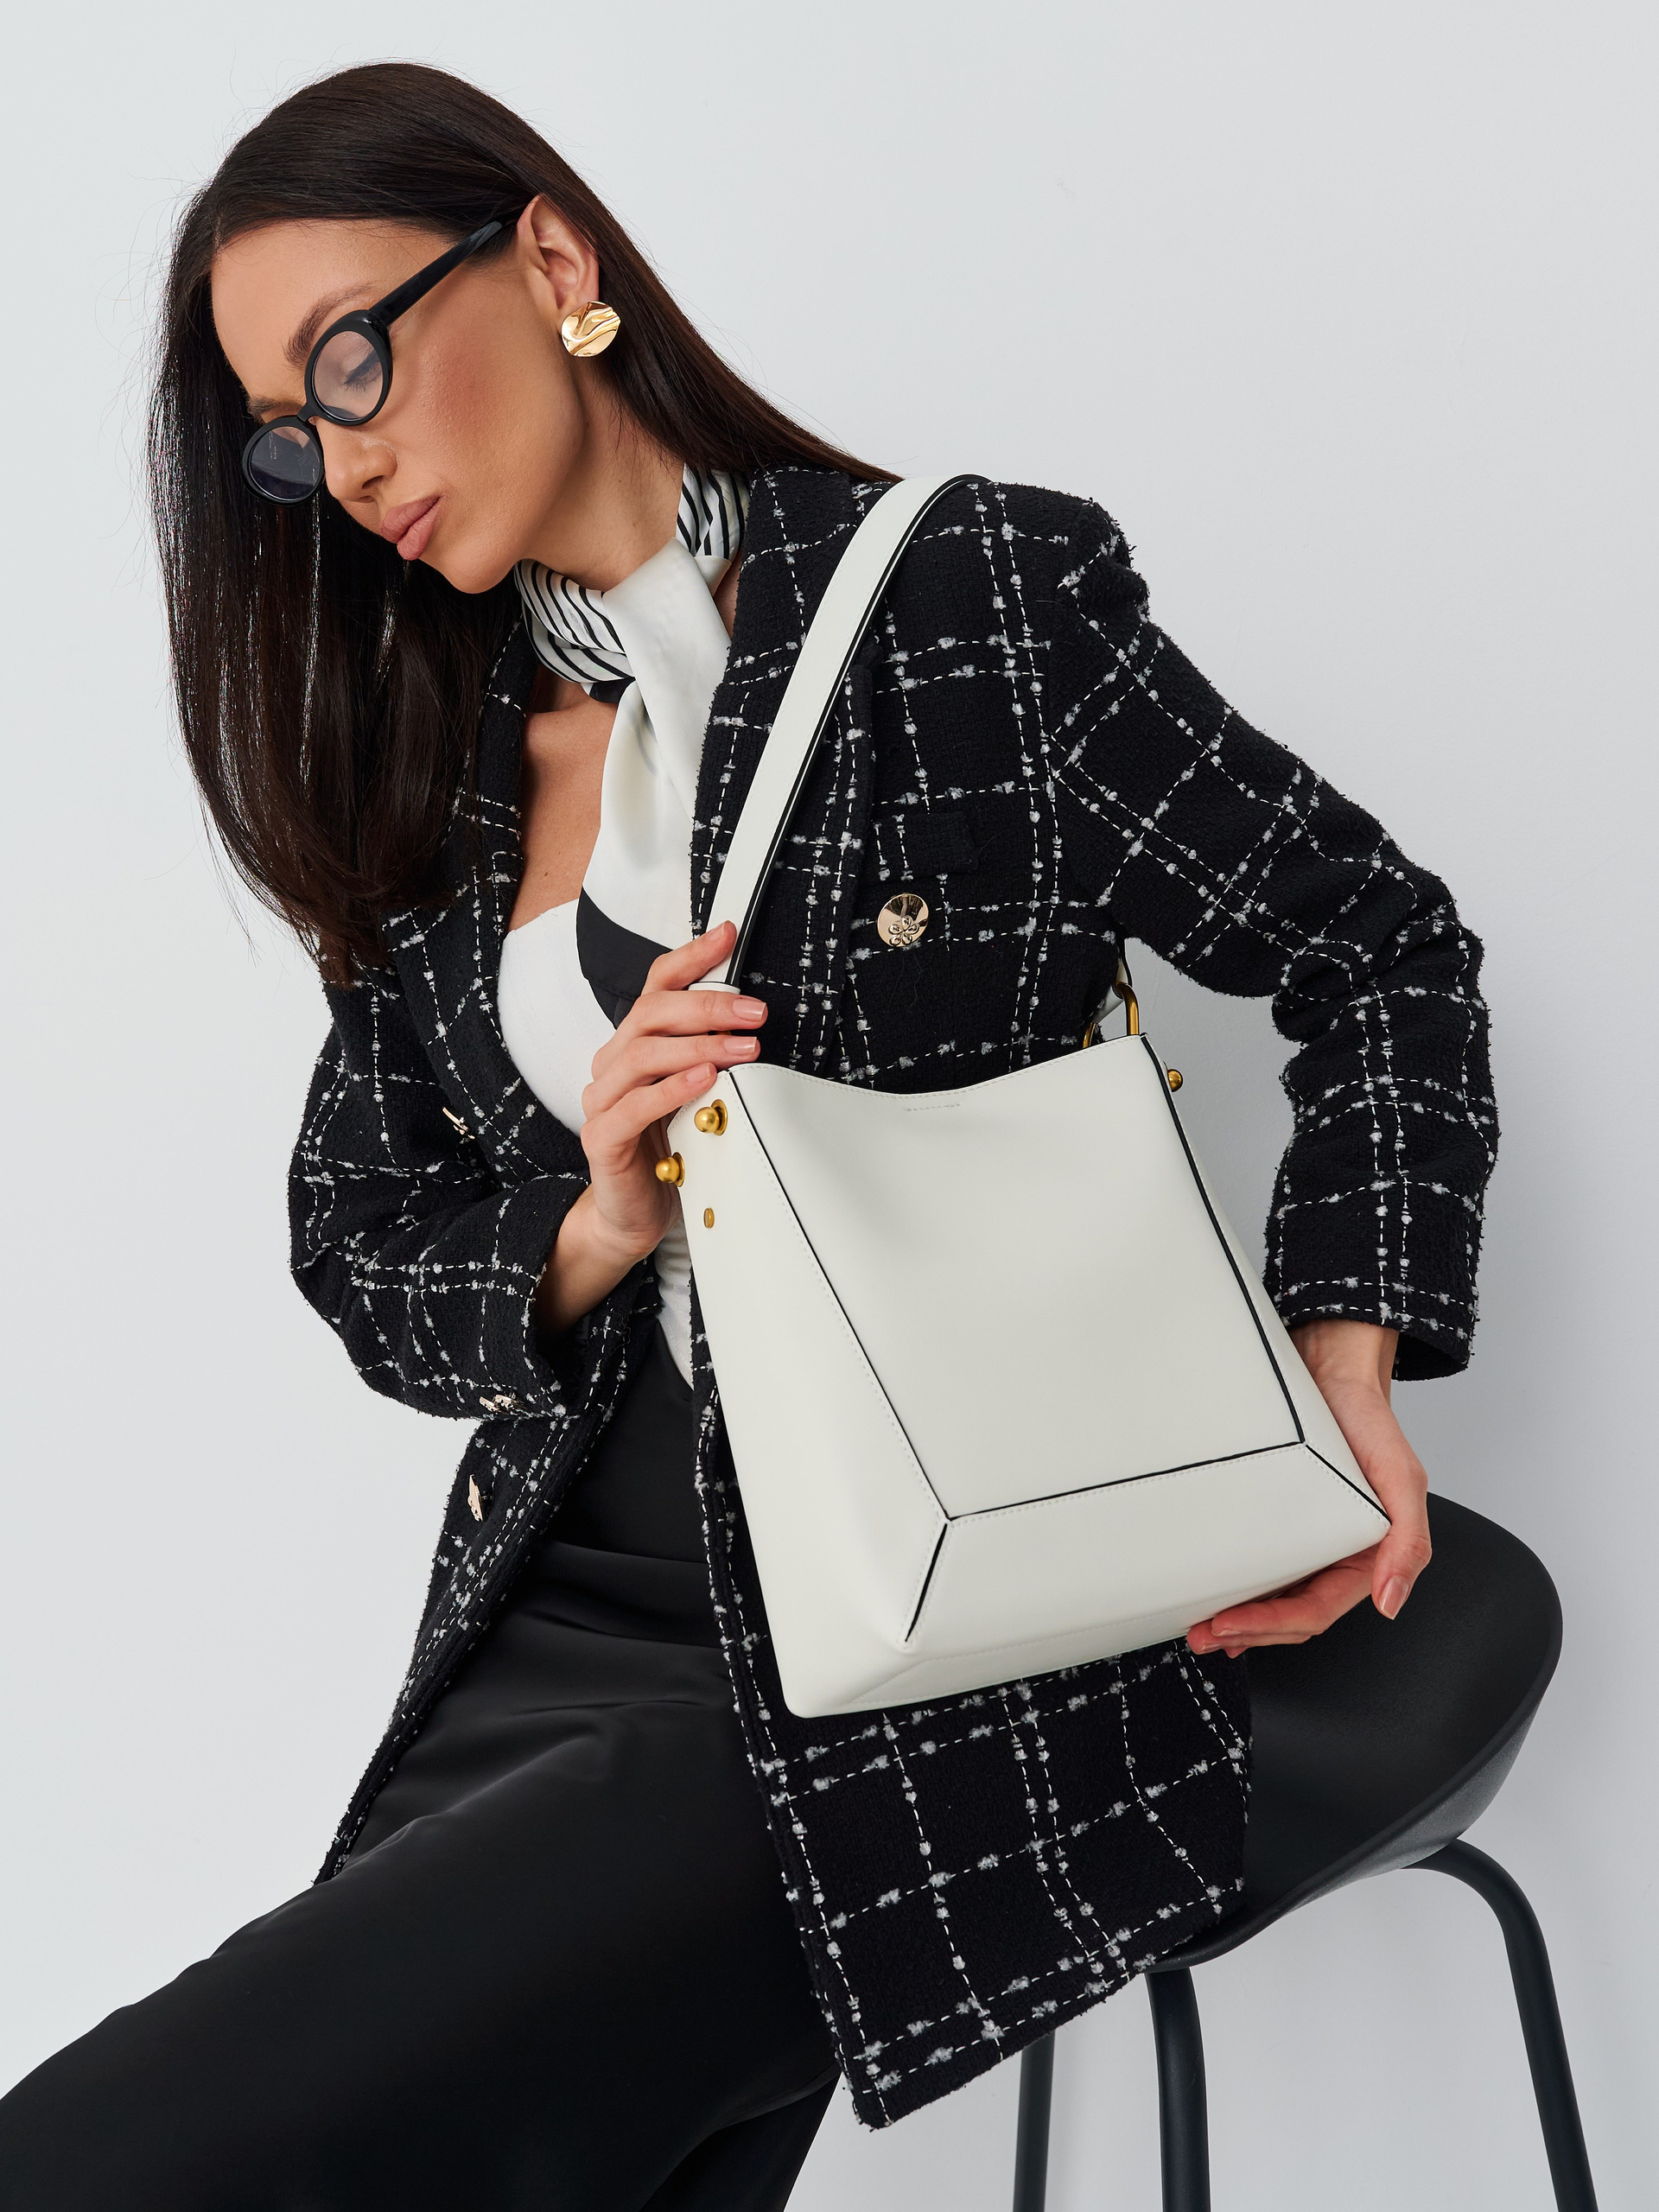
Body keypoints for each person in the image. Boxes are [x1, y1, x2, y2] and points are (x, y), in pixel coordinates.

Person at [0, 59, 1497, 2212]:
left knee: (125, 2149)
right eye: (289, 431)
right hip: (553, 1615)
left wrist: (1349, 1359)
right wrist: (598, 1215)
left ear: (549, 258)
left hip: (907, 1621)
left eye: (355, 361)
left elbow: (1382, 947)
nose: (345, 459)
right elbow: (360, 1234)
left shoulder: (968, 607)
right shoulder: (439, 773)